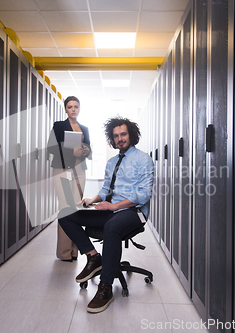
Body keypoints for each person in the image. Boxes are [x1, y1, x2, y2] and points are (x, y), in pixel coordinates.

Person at [58, 117, 154, 313]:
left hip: (133, 212)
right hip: (112, 209)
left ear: (131, 135)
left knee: (112, 226)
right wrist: (92, 200)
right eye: (116, 136)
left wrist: (114, 206)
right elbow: (105, 189)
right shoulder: (111, 162)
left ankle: (105, 288)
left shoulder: (143, 159)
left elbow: (143, 195)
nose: (120, 139)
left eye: (123, 134)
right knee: (66, 215)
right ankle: (93, 257)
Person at [47, 96, 91, 261]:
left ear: (79, 109)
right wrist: (71, 152)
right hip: (62, 169)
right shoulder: (59, 126)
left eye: (76, 107)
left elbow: (89, 148)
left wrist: (86, 150)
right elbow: (52, 147)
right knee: (66, 208)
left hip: (79, 170)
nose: (73, 109)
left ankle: (74, 250)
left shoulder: (84, 128)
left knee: (76, 208)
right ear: (65, 109)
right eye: (70, 107)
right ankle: (64, 252)